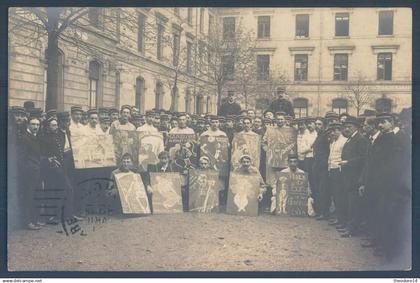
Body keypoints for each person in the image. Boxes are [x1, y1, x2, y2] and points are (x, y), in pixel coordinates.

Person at [337, 116, 368, 238]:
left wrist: (348, 162)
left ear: (356, 127)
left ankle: (352, 229)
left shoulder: (360, 139)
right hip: (348, 176)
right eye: (346, 126)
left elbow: (363, 158)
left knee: (354, 204)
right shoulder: (350, 139)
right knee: (350, 202)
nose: (347, 128)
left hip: (355, 176)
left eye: (349, 126)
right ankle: (348, 225)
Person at [20, 115, 43, 230]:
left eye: (38, 125)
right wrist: (28, 169)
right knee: (28, 197)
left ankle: (34, 220)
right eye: (33, 124)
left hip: (36, 172)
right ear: (28, 125)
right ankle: (27, 222)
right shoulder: (25, 138)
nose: (36, 127)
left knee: (35, 196)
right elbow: (22, 158)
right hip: (29, 173)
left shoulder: (35, 137)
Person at [324, 122, 347, 229]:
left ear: (340, 130)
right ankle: (338, 217)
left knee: (340, 195)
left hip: (339, 170)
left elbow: (343, 157)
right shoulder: (333, 142)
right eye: (331, 131)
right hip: (332, 169)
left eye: (335, 131)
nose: (332, 133)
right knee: (335, 195)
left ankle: (342, 219)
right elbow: (330, 157)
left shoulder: (344, 141)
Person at [311, 117, 330, 220]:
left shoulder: (326, 136)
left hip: (323, 166)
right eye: (316, 124)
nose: (317, 126)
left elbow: (327, 152)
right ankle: (320, 211)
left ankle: (324, 212)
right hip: (317, 165)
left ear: (324, 125)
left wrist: (324, 164)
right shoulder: (319, 136)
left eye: (319, 124)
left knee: (323, 190)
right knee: (318, 189)